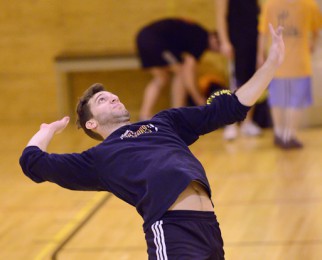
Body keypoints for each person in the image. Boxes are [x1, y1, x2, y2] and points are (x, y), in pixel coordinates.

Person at [19, 24, 284, 259]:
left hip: (208, 227)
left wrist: (271, 64)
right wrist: (47, 130)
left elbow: (230, 107)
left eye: (112, 96)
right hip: (172, 230)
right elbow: (33, 162)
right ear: (92, 124)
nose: (112, 98)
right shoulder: (98, 159)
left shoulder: (163, 122)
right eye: (102, 100)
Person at [257, 0, 322, 149]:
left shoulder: (270, 4)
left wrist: (260, 56)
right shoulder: (309, 4)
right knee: (295, 101)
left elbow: (263, 32)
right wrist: (314, 42)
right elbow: (317, 29)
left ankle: (280, 134)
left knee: (278, 100)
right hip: (299, 63)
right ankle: (289, 135)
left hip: (277, 63)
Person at [136, 18, 220, 120]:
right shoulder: (201, 38)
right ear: (214, 38)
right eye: (219, 47)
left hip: (142, 38)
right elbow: (188, 72)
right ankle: (177, 114)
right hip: (155, 41)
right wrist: (199, 100)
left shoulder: (196, 32)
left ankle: (144, 115)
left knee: (161, 79)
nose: (217, 51)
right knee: (181, 74)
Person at [215, 0, 266, 140]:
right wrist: (225, 41)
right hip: (235, 40)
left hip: (252, 39)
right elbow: (220, 17)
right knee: (235, 82)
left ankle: (247, 122)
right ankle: (230, 124)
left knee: (251, 80)